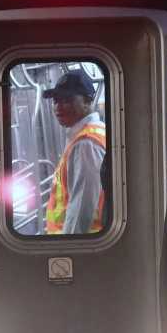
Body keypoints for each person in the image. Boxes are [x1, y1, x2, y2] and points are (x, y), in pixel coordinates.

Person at [42, 69, 107, 235]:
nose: (58, 107)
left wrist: (67, 247)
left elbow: (81, 208)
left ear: (87, 101)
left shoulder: (86, 144)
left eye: (67, 100)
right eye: (56, 101)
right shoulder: (92, 132)